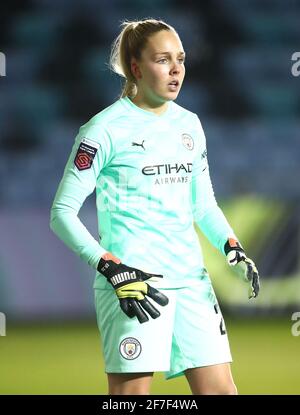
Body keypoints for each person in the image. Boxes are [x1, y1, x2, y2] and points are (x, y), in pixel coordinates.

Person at [50, 18, 260, 395]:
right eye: (163, 59)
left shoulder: (190, 125)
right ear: (135, 67)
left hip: (192, 282)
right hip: (135, 285)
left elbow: (203, 204)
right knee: (132, 398)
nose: (176, 69)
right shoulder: (103, 130)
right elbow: (62, 213)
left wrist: (232, 246)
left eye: (180, 58)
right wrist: (109, 266)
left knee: (222, 392)